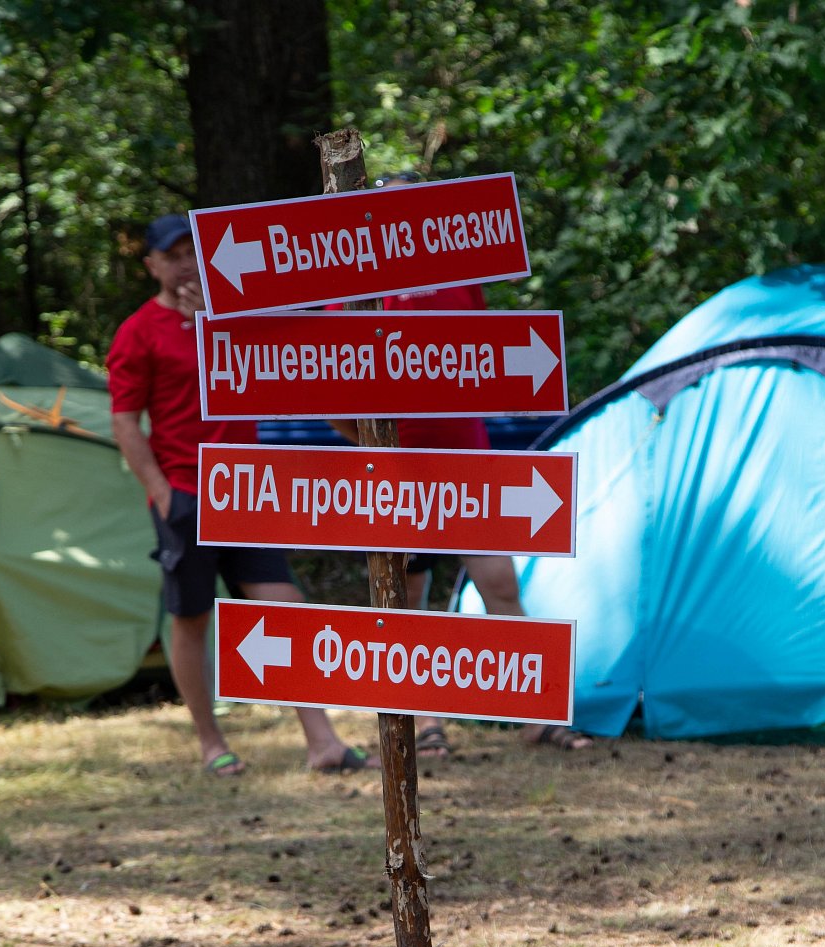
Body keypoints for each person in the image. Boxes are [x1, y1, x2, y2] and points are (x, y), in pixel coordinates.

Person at [329, 171, 593, 760]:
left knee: (500, 582)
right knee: (407, 595)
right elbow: (325, 386)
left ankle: (536, 715)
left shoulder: (460, 276)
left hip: (467, 464)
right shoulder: (351, 285)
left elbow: (482, 352)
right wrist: (375, 450)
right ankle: (426, 726)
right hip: (395, 477)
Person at [108, 212, 378, 777]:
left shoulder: (235, 320)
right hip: (184, 495)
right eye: (173, 254)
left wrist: (215, 323)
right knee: (193, 620)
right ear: (152, 265)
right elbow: (126, 422)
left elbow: (287, 366)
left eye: (192, 252)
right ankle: (212, 743)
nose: (184, 263)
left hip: (246, 494)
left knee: (286, 609)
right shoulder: (138, 332)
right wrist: (160, 493)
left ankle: (322, 741)